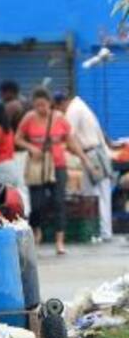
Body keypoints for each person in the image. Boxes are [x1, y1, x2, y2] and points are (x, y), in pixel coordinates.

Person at [16, 87, 93, 255]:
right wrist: (31, 147)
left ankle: (59, 241)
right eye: (37, 106)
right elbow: (18, 139)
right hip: (38, 167)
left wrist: (84, 159)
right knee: (37, 204)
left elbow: (71, 142)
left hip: (58, 166)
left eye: (43, 105)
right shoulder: (28, 118)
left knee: (59, 202)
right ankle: (36, 231)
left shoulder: (60, 119)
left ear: (50, 103)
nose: (41, 109)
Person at [56, 90, 114, 241]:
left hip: (92, 155)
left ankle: (102, 232)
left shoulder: (73, 110)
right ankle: (103, 231)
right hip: (97, 153)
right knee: (100, 194)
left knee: (95, 195)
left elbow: (68, 136)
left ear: (62, 103)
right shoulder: (81, 105)